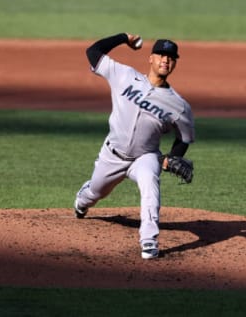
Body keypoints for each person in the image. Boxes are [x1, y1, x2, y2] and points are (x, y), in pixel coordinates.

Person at [74, 33, 195, 259]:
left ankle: (149, 240)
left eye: (171, 57)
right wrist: (122, 38)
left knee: (150, 185)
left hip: (145, 156)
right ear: (151, 58)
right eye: (161, 55)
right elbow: (93, 53)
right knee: (96, 192)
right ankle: (83, 198)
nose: (165, 60)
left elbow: (185, 137)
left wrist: (173, 156)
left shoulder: (179, 105)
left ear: (175, 63)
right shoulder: (124, 75)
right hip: (112, 154)